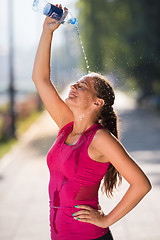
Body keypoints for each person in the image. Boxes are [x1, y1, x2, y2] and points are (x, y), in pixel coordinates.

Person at [32, 5, 152, 240]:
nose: (74, 86)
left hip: (88, 237)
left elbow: (141, 184)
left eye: (83, 85)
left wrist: (106, 220)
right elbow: (41, 79)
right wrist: (47, 31)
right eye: (76, 83)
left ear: (97, 103)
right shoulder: (67, 126)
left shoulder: (100, 138)